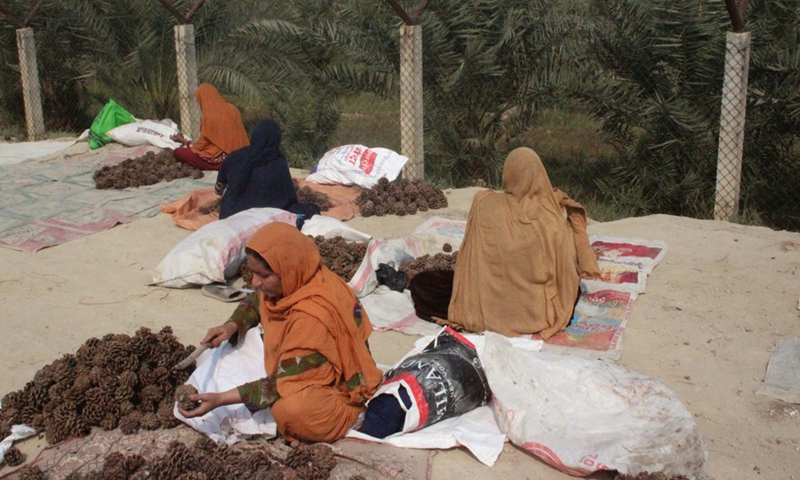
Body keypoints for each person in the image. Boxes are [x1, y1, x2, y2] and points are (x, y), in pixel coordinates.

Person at [178, 222, 383, 443]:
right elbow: (257, 300)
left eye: (263, 275)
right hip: (302, 365)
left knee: (290, 411)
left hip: (333, 386)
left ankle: (350, 417)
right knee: (220, 354)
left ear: (287, 269)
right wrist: (231, 326)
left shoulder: (313, 316)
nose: (255, 282)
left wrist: (220, 399)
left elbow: (281, 384)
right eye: (252, 273)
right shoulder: (297, 279)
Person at [410, 147, 601, 339]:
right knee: (571, 290)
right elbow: (567, 270)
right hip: (537, 312)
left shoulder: (484, 203)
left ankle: (493, 313)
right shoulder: (553, 218)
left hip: (488, 304)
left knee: (423, 283)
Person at [215, 118, 320, 221]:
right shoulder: (277, 160)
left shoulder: (234, 156)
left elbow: (218, 189)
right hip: (266, 216)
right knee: (312, 210)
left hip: (229, 214)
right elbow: (288, 198)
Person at [171, 83, 249, 170]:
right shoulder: (233, 109)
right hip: (243, 155)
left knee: (178, 152)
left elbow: (200, 147)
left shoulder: (209, 117)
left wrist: (185, 141)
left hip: (221, 162)